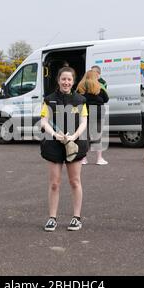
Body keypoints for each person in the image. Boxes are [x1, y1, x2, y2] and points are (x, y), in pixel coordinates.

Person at [40, 66, 88, 232]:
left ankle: (76, 218)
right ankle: (52, 218)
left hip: (75, 144)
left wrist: (73, 137)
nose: (66, 82)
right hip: (54, 145)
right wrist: (55, 135)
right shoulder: (49, 99)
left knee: (75, 181)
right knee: (54, 183)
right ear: (58, 80)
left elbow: (84, 122)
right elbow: (44, 122)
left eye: (69, 79)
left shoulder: (81, 100)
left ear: (73, 81)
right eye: (63, 79)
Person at [77, 69, 109, 165]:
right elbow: (106, 99)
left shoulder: (80, 87)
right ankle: (99, 159)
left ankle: (83, 159)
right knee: (97, 136)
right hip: (98, 114)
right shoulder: (100, 87)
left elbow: (76, 100)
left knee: (84, 137)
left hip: (85, 114)